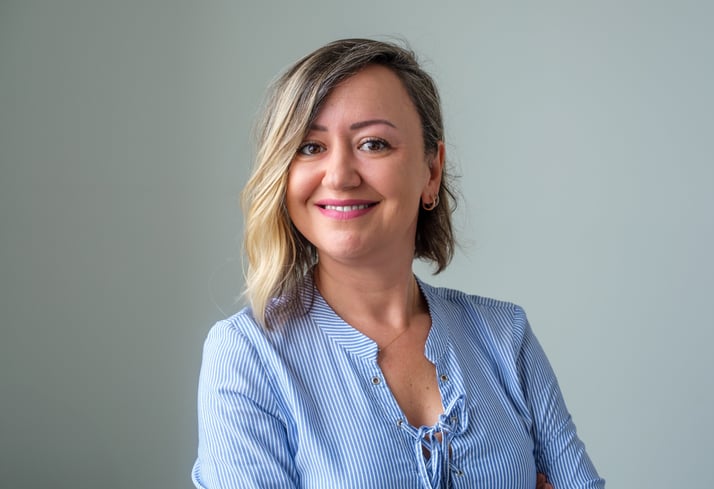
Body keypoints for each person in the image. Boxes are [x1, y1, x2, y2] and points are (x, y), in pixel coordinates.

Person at [192, 38, 605, 489]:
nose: (339, 176)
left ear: (432, 171)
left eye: (373, 143)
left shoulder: (506, 337)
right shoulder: (247, 356)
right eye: (310, 148)